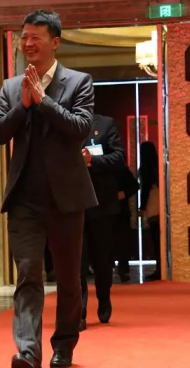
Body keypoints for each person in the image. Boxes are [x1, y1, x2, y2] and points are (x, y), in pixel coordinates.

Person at [0, 10, 96, 368]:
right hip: (24, 199)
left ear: (55, 41)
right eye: (24, 37)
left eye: (36, 37)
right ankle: (28, 354)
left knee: (68, 277)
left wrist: (43, 100)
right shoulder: (10, 87)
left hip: (66, 198)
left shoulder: (79, 82)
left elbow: (80, 128)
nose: (28, 43)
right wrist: (23, 105)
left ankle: (64, 343)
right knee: (28, 273)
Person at [79, 114, 126, 331]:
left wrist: (92, 161)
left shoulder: (106, 124)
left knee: (102, 260)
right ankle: (79, 311)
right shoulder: (64, 124)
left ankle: (104, 298)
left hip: (103, 205)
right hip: (74, 205)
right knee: (77, 262)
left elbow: (119, 157)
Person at [139, 141, 161, 281]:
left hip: (152, 204)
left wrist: (142, 207)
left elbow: (145, 190)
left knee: (154, 238)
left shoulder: (145, 169)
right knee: (160, 240)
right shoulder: (159, 167)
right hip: (160, 203)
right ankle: (161, 268)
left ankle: (158, 269)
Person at [115, 166, 139, 283]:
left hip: (121, 211)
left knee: (123, 242)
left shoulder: (121, 169)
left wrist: (124, 193)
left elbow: (135, 185)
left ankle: (123, 270)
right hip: (103, 212)